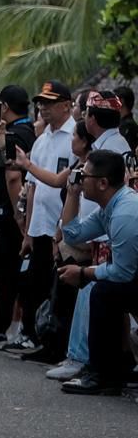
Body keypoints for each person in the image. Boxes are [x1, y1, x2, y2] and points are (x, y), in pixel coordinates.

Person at [57, 149, 138, 395]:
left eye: (84, 175)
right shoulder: (110, 206)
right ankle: (114, 369)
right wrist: (72, 193)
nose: (80, 179)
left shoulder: (125, 212)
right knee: (106, 291)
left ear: (103, 183)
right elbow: (72, 234)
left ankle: (102, 373)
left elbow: (122, 273)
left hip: (130, 275)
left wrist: (83, 274)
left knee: (104, 292)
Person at [17, 80, 77, 362]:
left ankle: (60, 346)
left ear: (67, 104)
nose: (44, 108)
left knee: (61, 289)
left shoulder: (75, 138)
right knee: (38, 285)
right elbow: (31, 187)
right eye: (41, 103)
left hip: (62, 225)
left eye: (50, 103)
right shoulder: (42, 140)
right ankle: (44, 341)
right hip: (40, 223)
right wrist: (28, 230)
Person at [0, 85, 38, 348]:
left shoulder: (17, 134)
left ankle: (0, 329)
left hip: (12, 215)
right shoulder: (25, 132)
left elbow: (13, 176)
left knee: (6, 274)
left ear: (5, 107)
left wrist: (17, 214)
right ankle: (9, 329)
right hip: (17, 214)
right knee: (13, 273)